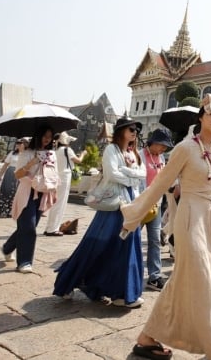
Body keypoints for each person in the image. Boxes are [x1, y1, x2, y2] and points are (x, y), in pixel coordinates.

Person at [120, 94, 211, 360]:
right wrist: (133, 217)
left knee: (183, 280)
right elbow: (158, 185)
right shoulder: (185, 147)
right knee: (203, 279)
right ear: (199, 117)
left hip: (209, 215)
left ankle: (147, 338)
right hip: (190, 215)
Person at [53, 117, 146, 308]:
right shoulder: (111, 149)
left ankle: (121, 293)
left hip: (129, 202)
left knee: (126, 245)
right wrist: (131, 176)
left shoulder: (132, 152)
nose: (134, 132)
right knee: (96, 244)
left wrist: (128, 174)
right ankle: (68, 281)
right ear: (121, 131)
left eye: (136, 129)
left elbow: (142, 173)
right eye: (131, 129)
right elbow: (112, 174)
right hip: (113, 204)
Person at [0, 126, 57, 273]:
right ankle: (24, 262)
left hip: (42, 192)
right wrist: (33, 162)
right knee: (29, 227)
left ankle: (7, 247)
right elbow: (18, 175)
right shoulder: (26, 153)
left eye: (50, 136)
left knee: (27, 227)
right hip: (27, 192)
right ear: (37, 136)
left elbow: (53, 173)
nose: (47, 139)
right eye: (44, 135)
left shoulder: (51, 154)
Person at [139, 128, 174, 290]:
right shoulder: (139, 156)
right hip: (139, 204)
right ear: (153, 142)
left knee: (154, 240)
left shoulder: (161, 158)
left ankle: (154, 276)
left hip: (156, 204)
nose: (163, 149)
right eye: (162, 145)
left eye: (166, 147)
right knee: (130, 240)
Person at [43, 132, 86, 236]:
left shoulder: (56, 151)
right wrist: (83, 154)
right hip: (65, 177)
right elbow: (78, 161)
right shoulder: (67, 150)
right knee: (60, 203)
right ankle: (53, 229)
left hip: (56, 177)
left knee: (55, 203)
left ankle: (50, 227)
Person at [0, 138, 28, 218]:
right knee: (7, 191)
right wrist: (0, 176)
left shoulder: (27, 154)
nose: (18, 145)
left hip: (21, 175)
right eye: (17, 143)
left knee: (17, 193)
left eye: (20, 143)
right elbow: (5, 165)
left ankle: (14, 211)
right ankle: (4, 211)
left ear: (25, 144)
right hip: (10, 174)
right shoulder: (12, 153)